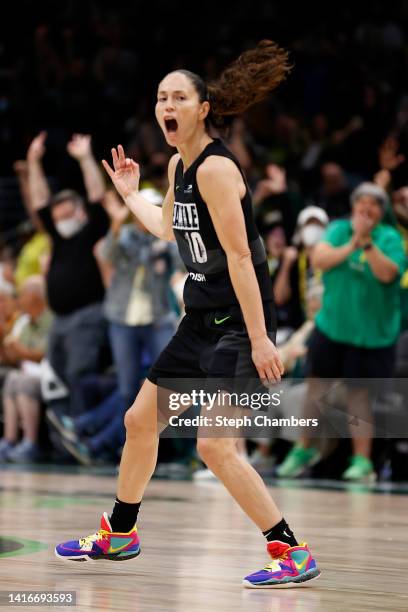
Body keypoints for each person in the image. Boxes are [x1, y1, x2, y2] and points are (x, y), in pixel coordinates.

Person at [55, 40, 320, 588]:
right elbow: (169, 228)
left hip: (239, 325)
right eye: (160, 97)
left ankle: (291, 552)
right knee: (138, 421)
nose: (166, 105)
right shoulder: (179, 163)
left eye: (178, 96)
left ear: (203, 108)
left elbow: (244, 256)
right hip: (200, 321)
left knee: (215, 444)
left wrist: (261, 338)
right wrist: (130, 195)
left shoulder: (218, 169)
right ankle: (120, 533)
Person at [276, 182, 405, 480]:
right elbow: (320, 259)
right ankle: (302, 448)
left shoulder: (389, 238)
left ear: (381, 211)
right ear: (353, 207)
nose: (366, 210)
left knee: (358, 394)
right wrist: (353, 243)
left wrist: (368, 244)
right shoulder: (337, 231)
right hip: (332, 325)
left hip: (371, 335)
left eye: (373, 205)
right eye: (362, 204)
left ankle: (362, 463)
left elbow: (388, 274)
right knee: (315, 388)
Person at [26, 132, 109, 416]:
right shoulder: (58, 238)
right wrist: (33, 163)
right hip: (60, 319)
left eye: (65, 216)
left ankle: (84, 430)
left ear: (80, 214)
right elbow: (39, 203)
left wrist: (86, 159)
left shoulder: (91, 231)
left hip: (86, 315)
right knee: (56, 377)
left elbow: (97, 196)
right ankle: (65, 434)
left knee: (79, 374)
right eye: (57, 217)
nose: (60, 222)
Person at [0, 276, 52, 462]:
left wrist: (18, 350)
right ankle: (10, 440)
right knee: (13, 378)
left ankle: (31, 442)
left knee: (22, 381)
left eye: (22, 295)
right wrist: (4, 336)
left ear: (35, 297)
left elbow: (42, 355)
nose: (19, 300)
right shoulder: (25, 321)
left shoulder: (51, 318)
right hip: (28, 372)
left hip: (49, 374)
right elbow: (14, 357)